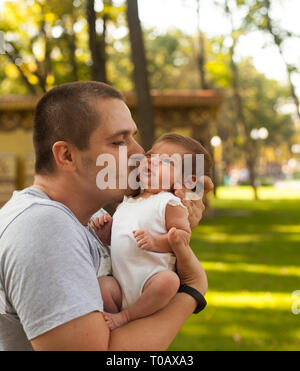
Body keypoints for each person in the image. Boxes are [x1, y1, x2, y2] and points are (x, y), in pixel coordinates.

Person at [0, 81, 213, 351]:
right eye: (118, 142)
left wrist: (169, 223)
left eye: (133, 137)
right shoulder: (43, 228)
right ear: (67, 156)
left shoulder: (89, 219)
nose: (140, 153)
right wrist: (192, 291)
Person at [92, 133, 212, 330]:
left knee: (169, 281)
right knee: (103, 286)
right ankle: (116, 323)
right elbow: (123, 239)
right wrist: (106, 234)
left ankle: (126, 316)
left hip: (152, 278)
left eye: (164, 161)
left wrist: (157, 242)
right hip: (121, 283)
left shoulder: (169, 203)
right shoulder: (127, 202)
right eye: (150, 156)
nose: (151, 162)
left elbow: (182, 235)